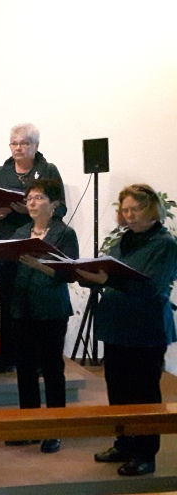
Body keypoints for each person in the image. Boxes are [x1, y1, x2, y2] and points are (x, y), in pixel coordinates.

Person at [81, 184, 177, 476]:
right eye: (125, 210)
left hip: (145, 328)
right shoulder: (122, 240)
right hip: (117, 325)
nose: (130, 215)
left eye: (136, 209)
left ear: (151, 209)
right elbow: (106, 274)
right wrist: (84, 276)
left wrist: (108, 280)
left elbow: (153, 286)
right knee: (118, 389)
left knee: (144, 393)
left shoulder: (165, 243)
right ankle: (123, 442)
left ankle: (146, 454)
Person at [0, 179, 78, 454]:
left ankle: (55, 428)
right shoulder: (21, 231)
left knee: (52, 369)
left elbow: (69, 274)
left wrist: (40, 265)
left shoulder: (64, 234)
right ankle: (29, 426)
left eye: (39, 198)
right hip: (22, 307)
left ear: (55, 204)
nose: (32, 202)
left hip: (51, 309)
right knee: (26, 369)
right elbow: (6, 261)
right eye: (29, 198)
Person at [0, 123, 66, 374]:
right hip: (8, 246)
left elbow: (60, 209)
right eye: (14, 143)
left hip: (38, 244)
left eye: (24, 143)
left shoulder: (48, 170)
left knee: (37, 305)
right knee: (10, 306)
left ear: (35, 146)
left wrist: (32, 209)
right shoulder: (0, 172)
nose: (18, 148)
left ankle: (39, 360)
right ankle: (7, 356)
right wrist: (2, 211)